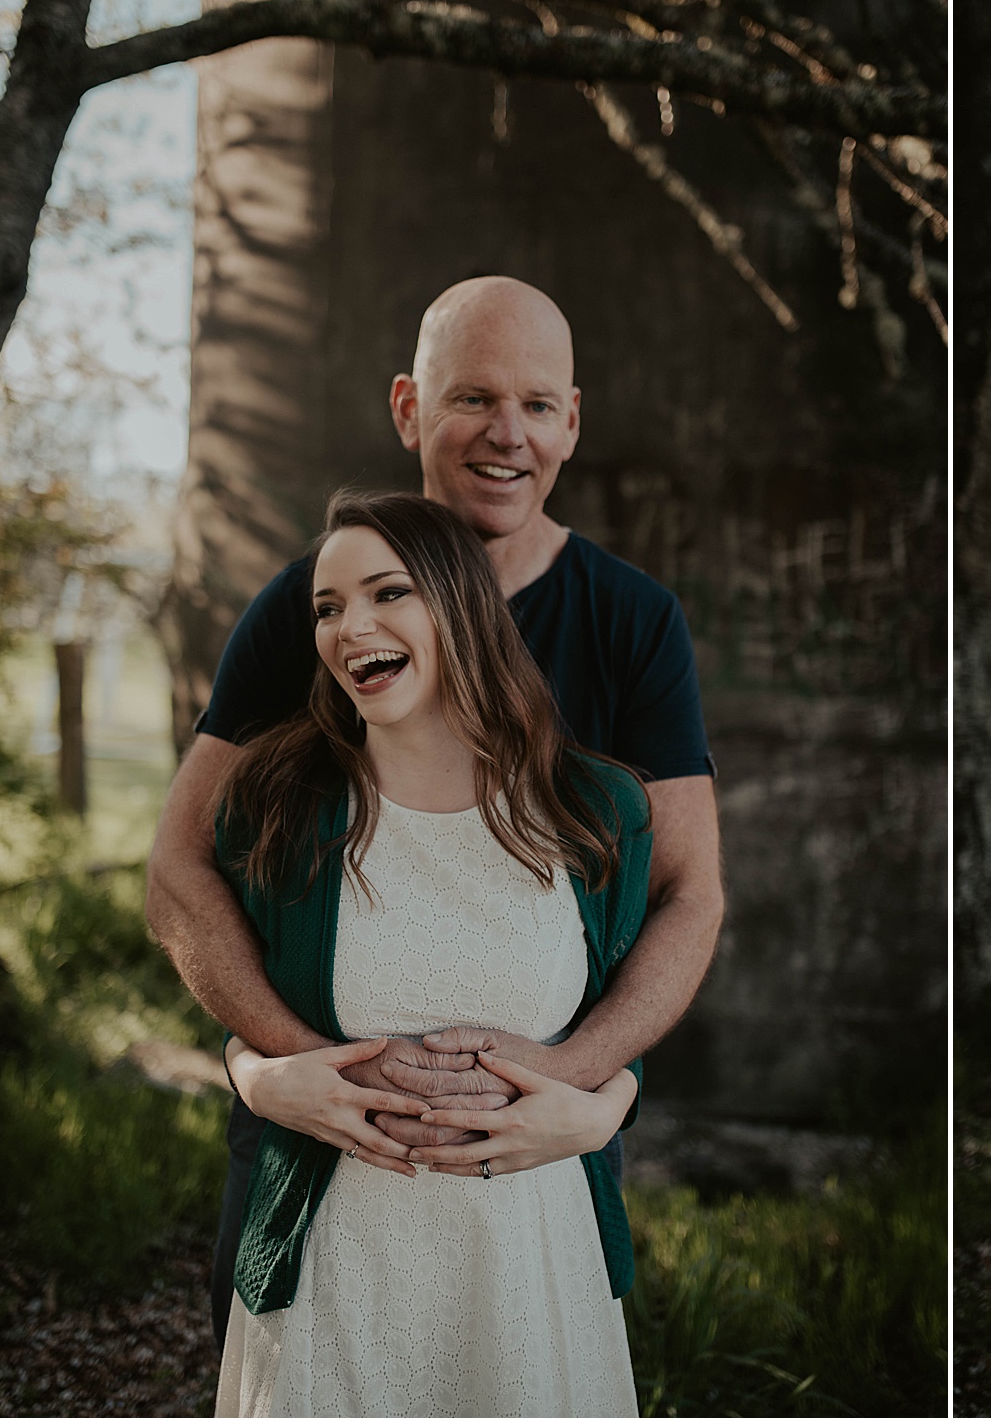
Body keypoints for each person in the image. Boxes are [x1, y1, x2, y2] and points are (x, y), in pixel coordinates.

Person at [145, 277, 725, 1349]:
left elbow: (689, 893)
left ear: (571, 422)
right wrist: (291, 1064)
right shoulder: (310, 610)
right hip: (310, 1141)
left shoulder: (631, 622)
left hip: (536, 1143)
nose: (508, 435)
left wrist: (581, 1081)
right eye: (473, 400)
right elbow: (179, 865)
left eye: (538, 405)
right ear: (409, 409)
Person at [211, 490, 649, 1415]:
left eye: (386, 592)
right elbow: (237, 984)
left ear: (459, 604)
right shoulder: (283, 803)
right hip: (338, 1272)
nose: (348, 626)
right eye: (328, 607)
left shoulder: (594, 807)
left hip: (534, 1264)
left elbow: (619, 1007)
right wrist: (253, 1071)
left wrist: (611, 1103)